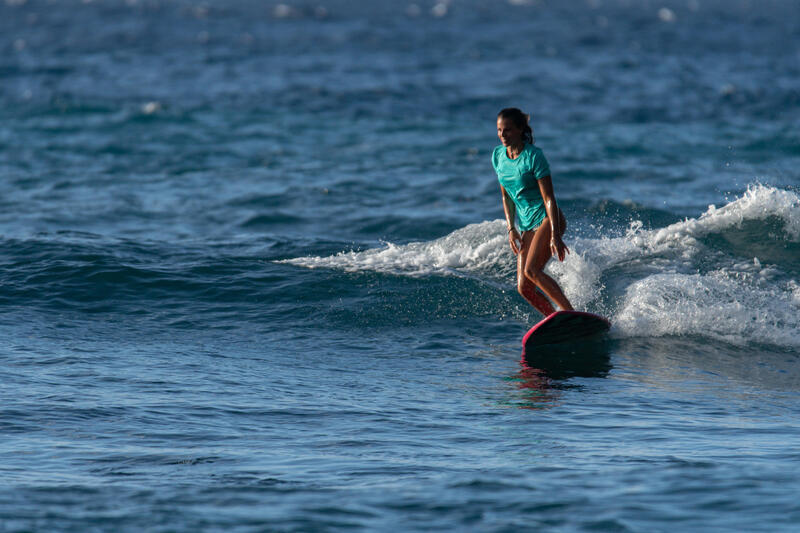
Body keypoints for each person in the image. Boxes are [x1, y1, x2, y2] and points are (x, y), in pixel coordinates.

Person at [492, 107, 573, 317]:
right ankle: (553, 320)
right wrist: (511, 227)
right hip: (527, 225)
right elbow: (506, 196)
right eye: (499, 130)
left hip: (547, 218)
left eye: (507, 130)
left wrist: (555, 235)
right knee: (524, 288)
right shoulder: (498, 156)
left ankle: (570, 314)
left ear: (520, 129)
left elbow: (549, 198)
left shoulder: (534, 157)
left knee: (532, 271)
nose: (502, 135)